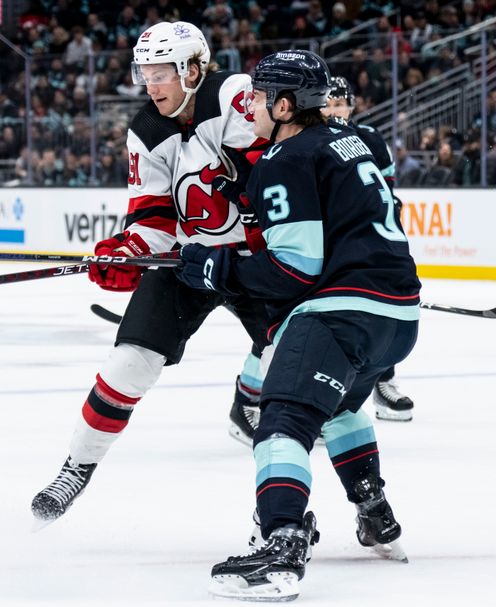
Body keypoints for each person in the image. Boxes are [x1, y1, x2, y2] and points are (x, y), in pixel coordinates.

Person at [173, 50, 420, 601]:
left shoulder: (286, 157)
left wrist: (220, 267)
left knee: (283, 414)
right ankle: (373, 509)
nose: (251, 104)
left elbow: (293, 267)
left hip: (342, 312)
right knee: (343, 405)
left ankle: (282, 541)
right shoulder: (346, 139)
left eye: (260, 96)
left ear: (285, 105)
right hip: (398, 316)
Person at [31, 21, 271, 522]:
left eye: (161, 72)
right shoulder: (145, 129)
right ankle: (76, 467)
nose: (150, 83)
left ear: (193, 69)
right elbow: (155, 218)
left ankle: (366, 492)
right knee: (129, 362)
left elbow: (274, 172)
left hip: (260, 263)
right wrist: (130, 252)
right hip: (188, 263)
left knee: (307, 373)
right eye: (145, 72)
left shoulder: (235, 97)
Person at [322, 76, 416, 422]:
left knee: (386, 309)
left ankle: (384, 380)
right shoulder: (311, 140)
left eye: (340, 103)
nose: (335, 110)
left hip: (372, 241)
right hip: (332, 242)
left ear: (352, 105)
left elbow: (387, 192)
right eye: (328, 103)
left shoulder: (371, 139)